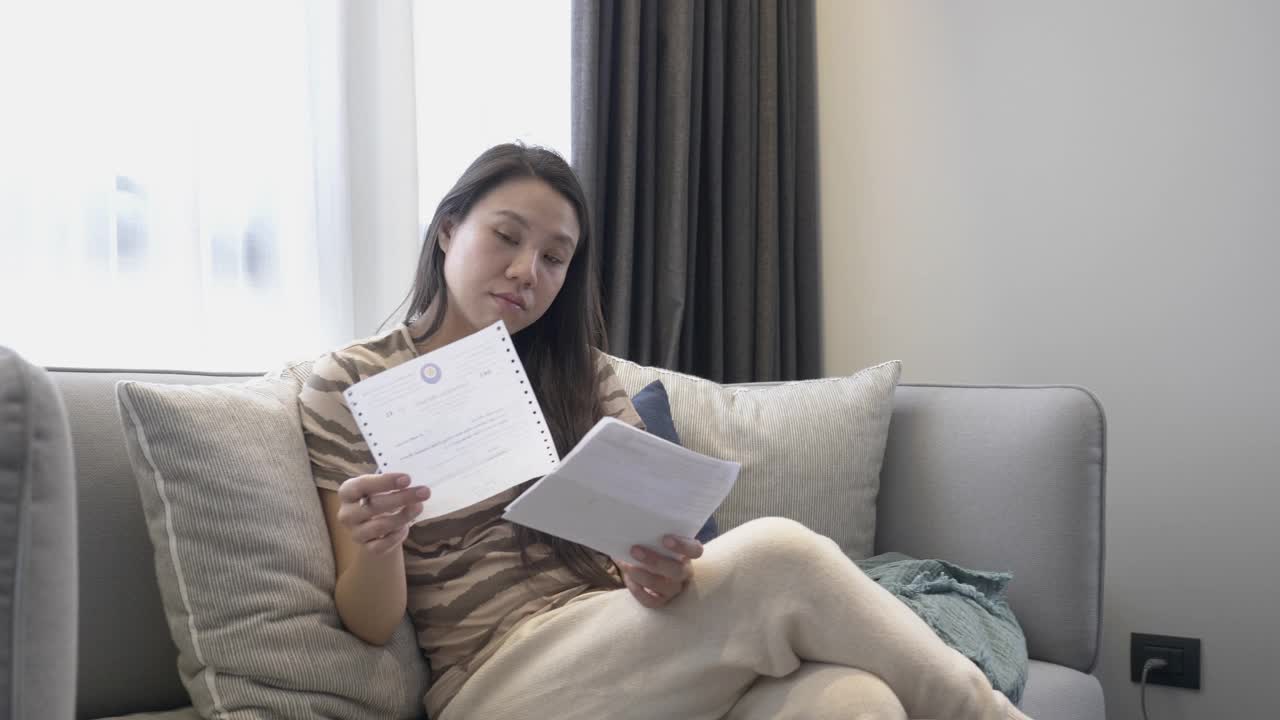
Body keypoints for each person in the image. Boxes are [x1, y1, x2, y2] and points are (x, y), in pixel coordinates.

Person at [299, 143, 1032, 720]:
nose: (527, 270)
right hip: (498, 678)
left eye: (554, 258)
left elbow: (643, 559)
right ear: (450, 229)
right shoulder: (352, 383)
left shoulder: (578, 376)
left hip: (633, 643)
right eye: (506, 237)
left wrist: (656, 571)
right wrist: (378, 542)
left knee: (856, 704)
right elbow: (370, 622)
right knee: (780, 552)